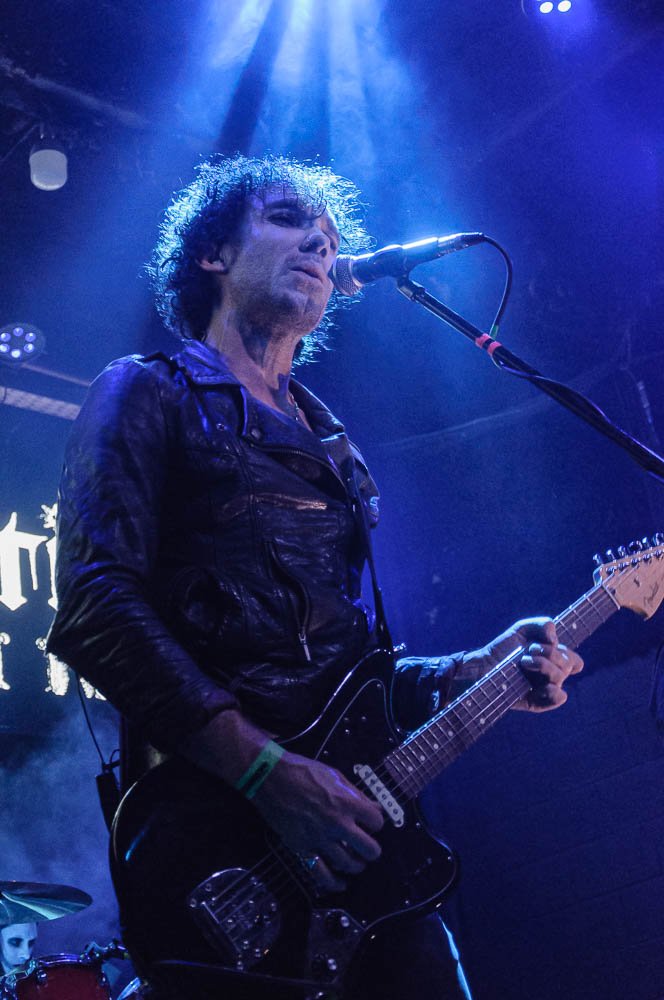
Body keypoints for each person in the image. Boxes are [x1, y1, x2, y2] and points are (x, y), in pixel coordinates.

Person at [47, 154, 583, 999]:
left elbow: (348, 667)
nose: (320, 244)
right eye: (289, 219)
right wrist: (266, 772)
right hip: (221, 839)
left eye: (330, 237)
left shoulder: (335, 444)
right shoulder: (147, 393)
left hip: (358, 857)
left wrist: (467, 672)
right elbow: (94, 606)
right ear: (213, 252)